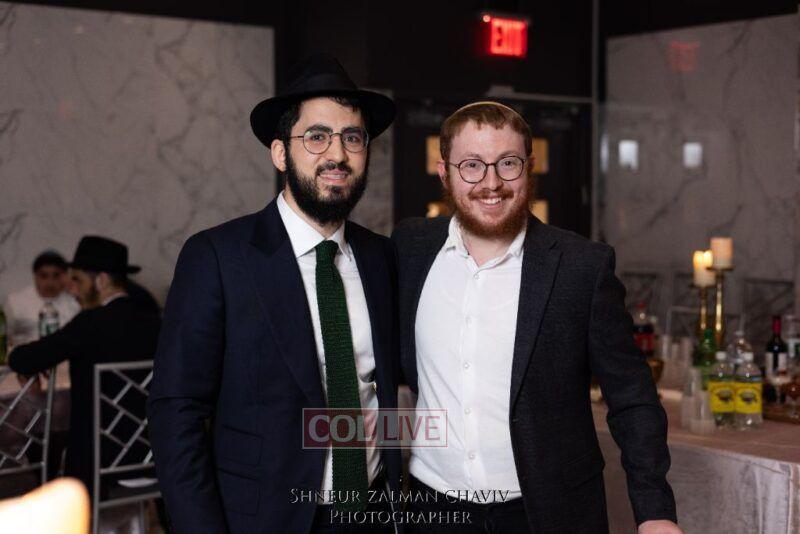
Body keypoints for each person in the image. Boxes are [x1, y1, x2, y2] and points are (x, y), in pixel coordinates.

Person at [392, 102, 682, 534]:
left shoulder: (582, 267)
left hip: (548, 512)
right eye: (471, 165)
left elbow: (632, 396)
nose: (491, 183)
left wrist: (655, 511)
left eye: (507, 163)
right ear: (444, 173)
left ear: (529, 168)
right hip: (432, 511)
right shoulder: (410, 247)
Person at [148, 53, 402, 534]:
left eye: (352, 137)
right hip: (263, 520)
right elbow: (176, 412)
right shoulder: (218, 257)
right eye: (317, 137)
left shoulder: (380, 257)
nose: (337, 154)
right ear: (280, 153)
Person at [8, 236, 161, 495]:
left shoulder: (90, 323)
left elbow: (23, 358)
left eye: (78, 280)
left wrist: (29, 364)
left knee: (53, 440)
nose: (72, 290)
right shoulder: (154, 321)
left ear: (101, 280)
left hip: (98, 461)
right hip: (155, 454)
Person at [3, 250, 80, 347]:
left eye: (56, 276)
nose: (50, 282)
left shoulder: (74, 303)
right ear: (35, 276)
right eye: (44, 276)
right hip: (28, 355)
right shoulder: (16, 303)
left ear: (63, 276)